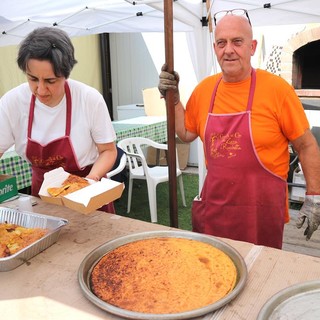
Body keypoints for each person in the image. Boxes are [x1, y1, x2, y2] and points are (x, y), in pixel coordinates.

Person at [158, 9, 320, 249]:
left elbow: (306, 145)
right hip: (216, 209)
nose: (229, 50)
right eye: (221, 43)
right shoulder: (204, 90)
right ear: (215, 49)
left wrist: (314, 197)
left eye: (237, 42)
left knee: (261, 276)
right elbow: (186, 133)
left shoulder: (277, 90)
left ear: (252, 47)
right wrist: (173, 101)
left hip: (261, 213)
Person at [0, 27, 119, 211]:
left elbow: (108, 151)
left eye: (50, 81)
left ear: (66, 74)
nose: (40, 90)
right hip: (42, 195)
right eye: (32, 79)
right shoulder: (12, 102)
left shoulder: (88, 99)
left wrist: (91, 180)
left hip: (87, 193)